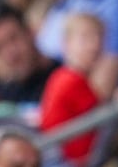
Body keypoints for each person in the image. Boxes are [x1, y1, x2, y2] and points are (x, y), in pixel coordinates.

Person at [39, 13, 103, 165]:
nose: (94, 45)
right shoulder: (71, 80)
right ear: (66, 43)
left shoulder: (60, 75)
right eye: (85, 38)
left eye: (100, 38)